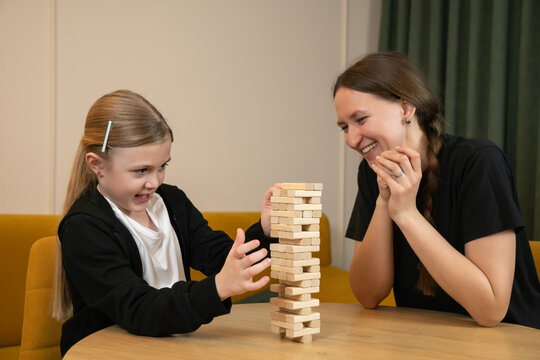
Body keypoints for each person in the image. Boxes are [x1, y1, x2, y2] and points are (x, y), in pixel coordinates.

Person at [52, 89, 276, 356]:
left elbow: (221, 258)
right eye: (141, 171)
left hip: (169, 348)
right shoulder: (84, 228)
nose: (155, 182)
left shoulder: (171, 201)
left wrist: (265, 230)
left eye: (162, 166)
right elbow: (139, 309)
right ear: (97, 165)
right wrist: (217, 288)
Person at [333, 52, 540, 329]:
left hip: (511, 340)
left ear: (406, 109)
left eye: (361, 120)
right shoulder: (371, 173)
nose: (352, 139)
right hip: (424, 342)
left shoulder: (478, 161)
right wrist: (384, 203)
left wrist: (406, 214)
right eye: (344, 127)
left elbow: (490, 310)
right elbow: (368, 295)